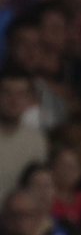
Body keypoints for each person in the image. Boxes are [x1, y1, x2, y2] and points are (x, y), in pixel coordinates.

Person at [0, 69, 47, 205]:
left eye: (21, 94)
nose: (14, 100)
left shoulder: (36, 139)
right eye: (6, 92)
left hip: (21, 217)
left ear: (29, 99)